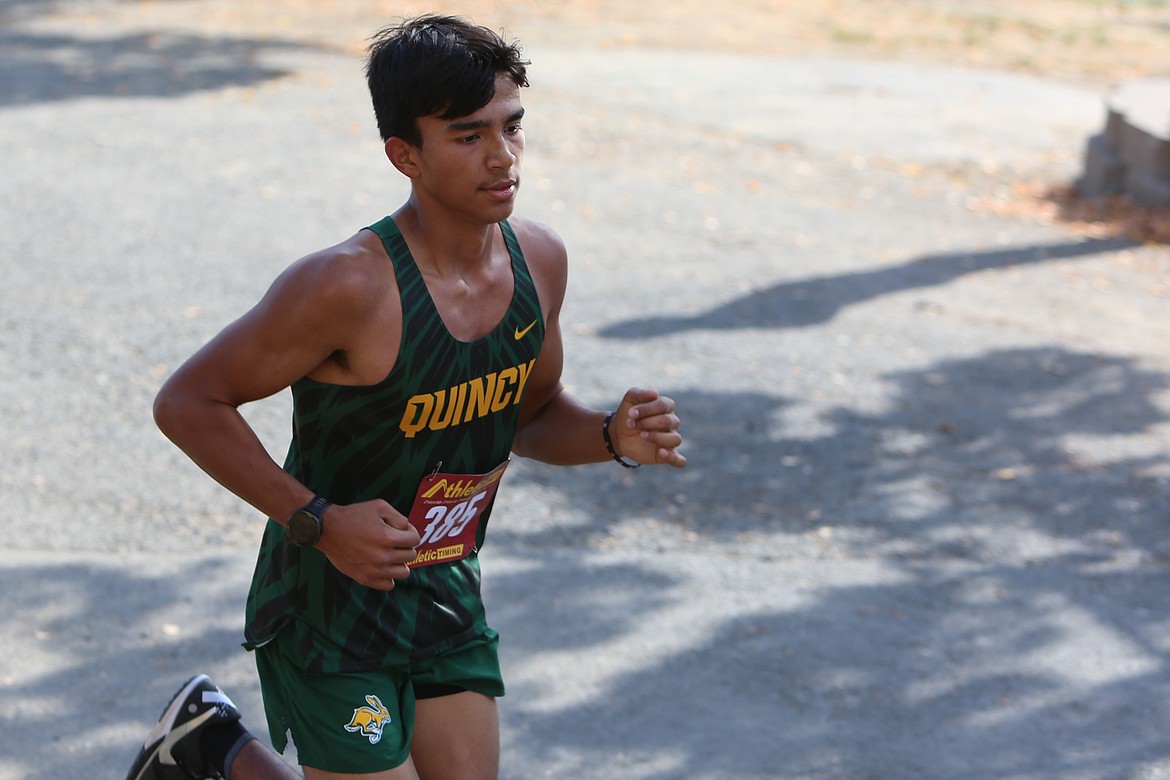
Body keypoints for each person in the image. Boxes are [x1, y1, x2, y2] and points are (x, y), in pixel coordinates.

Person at [125, 13, 685, 780]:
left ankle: (205, 745)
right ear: (404, 154)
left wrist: (612, 437)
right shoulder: (345, 286)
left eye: (512, 127)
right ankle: (217, 749)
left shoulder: (539, 263)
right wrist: (319, 522)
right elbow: (188, 402)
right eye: (467, 137)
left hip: (445, 587)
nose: (503, 157)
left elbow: (532, 417)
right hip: (329, 602)